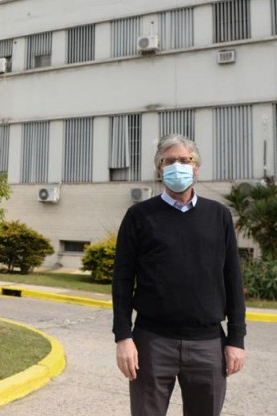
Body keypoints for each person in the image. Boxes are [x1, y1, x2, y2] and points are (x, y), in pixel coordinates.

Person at [112, 134, 246, 416]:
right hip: (151, 342)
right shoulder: (139, 216)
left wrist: (236, 339)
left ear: (196, 167)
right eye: (169, 161)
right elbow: (122, 281)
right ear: (159, 168)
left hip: (208, 344)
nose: (178, 166)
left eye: (185, 160)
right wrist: (123, 337)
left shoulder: (219, 216)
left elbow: (233, 279)